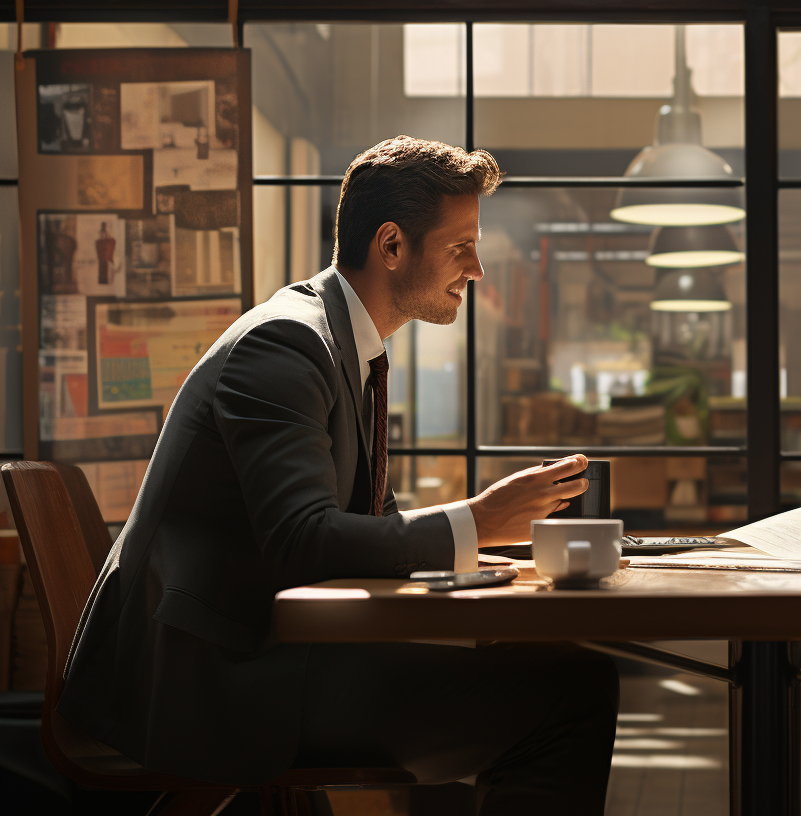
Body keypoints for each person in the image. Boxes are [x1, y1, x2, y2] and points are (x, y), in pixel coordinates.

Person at [58, 136, 619, 814]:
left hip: (254, 654)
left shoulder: (337, 345)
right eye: (459, 247)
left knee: (546, 675)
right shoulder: (285, 347)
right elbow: (304, 541)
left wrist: (492, 543)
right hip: (217, 680)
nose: (474, 270)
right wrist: (477, 519)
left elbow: (364, 527)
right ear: (391, 246)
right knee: (574, 690)